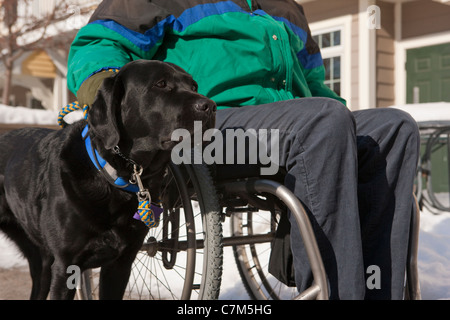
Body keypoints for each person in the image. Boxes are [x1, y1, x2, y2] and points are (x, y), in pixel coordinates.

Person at [67, 0, 420, 299]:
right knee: (322, 121)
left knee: (394, 127)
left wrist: (348, 129)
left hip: (295, 125)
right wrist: (114, 115)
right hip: (210, 128)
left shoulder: (288, 9)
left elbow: (314, 86)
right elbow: (96, 49)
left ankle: (377, 290)